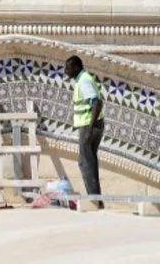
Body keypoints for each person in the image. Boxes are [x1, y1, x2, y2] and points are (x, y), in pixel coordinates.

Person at [65, 55, 104, 210]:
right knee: (90, 161)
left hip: (89, 126)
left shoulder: (84, 81)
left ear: (76, 67)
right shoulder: (81, 80)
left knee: (85, 162)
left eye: (68, 68)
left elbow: (97, 103)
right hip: (91, 125)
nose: (65, 71)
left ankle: (94, 200)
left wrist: (89, 129)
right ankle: (97, 200)